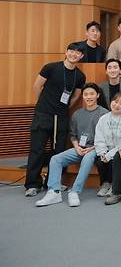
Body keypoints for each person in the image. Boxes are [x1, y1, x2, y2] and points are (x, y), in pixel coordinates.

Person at [24, 43, 86, 197]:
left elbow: (76, 95)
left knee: (59, 152)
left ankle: (53, 182)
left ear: (81, 56)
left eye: (77, 53)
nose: (73, 54)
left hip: (62, 116)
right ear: (66, 52)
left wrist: (64, 107)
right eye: (71, 51)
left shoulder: (80, 76)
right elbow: (37, 86)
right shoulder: (50, 67)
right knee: (37, 149)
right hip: (43, 114)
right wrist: (43, 105)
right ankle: (32, 184)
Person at [35, 83, 108, 207]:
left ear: (98, 95)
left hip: (97, 148)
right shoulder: (77, 114)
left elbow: (107, 138)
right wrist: (76, 146)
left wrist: (91, 148)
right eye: (86, 94)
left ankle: (75, 191)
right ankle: (54, 192)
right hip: (80, 148)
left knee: (87, 158)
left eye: (92, 94)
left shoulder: (104, 114)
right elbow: (73, 135)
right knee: (55, 159)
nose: (89, 97)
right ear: (83, 97)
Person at [94, 92, 121, 197]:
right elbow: (99, 137)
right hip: (105, 149)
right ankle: (105, 184)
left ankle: (114, 185)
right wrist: (102, 152)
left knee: (114, 161)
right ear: (111, 101)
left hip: (119, 150)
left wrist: (110, 154)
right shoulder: (103, 118)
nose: (117, 105)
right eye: (115, 101)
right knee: (100, 162)